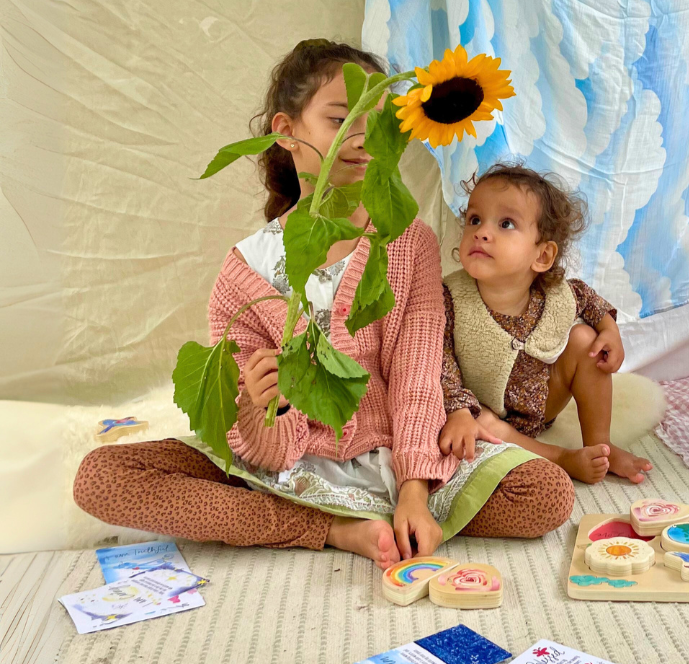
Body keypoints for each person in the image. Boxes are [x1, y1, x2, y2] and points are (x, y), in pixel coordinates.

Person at [74, 40, 574, 569]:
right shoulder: (246, 271)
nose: (362, 140)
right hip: (284, 471)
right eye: (341, 119)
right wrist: (267, 403)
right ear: (287, 132)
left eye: (378, 124)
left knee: (545, 494)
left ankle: (377, 512)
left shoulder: (408, 244)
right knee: (104, 478)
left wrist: (413, 491)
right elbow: (264, 447)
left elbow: (416, 375)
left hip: (394, 456)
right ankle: (331, 529)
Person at [439, 163, 652, 485]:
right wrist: (457, 410)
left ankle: (601, 447)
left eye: (506, 223)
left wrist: (610, 332)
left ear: (542, 256)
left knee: (585, 339)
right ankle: (561, 457)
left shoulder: (555, 293)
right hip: (483, 412)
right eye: (474, 219)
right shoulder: (448, 297)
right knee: (479, 419)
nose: (482, 232)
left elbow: (590, 302)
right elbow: (439, 360)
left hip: (542, 401)